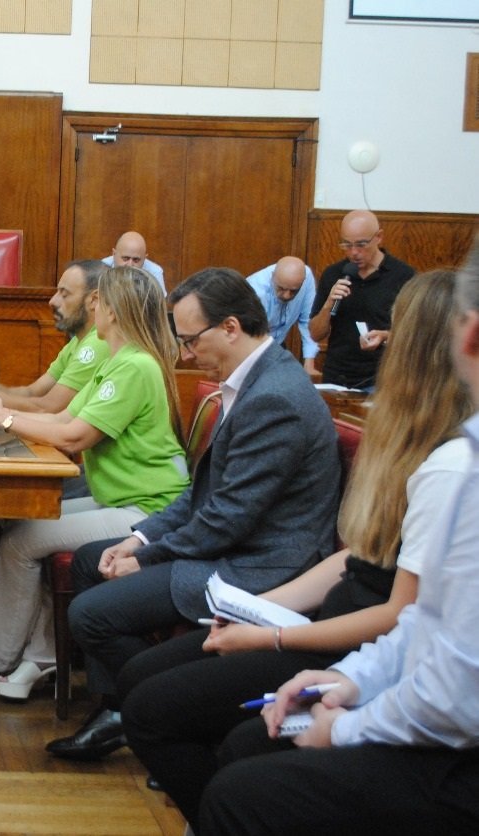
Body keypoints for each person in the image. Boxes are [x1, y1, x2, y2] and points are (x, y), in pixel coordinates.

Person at [120, 269, 469, 829]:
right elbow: (357, 560)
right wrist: (254, 612)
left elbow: (400, 616)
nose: (382, 345)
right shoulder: (412, 443)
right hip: (330, 621)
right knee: (145, 681)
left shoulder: (453, 468)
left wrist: (272, 633)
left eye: (395, 333)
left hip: (348, 641)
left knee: (193, 731)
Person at [49, 267, 341, 762]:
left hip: (257, 564)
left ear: (230, 327)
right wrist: (140, 540)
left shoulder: (275, 399)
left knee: (91, 615)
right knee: (89, 561)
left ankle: (163, 710)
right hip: (233, 541)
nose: (184, 354)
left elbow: (228, 519)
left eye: (190, 340)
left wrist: (149, 555)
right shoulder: (251, 379)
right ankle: (118, 706)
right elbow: (202, 494)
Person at [0, 266, 190, 700]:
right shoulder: (119, 359)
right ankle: (36, 653)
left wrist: (3, 416)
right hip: (121, 500)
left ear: (113, 311)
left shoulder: (135, 367)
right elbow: (60, 417)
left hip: (148, 511)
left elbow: (74, 437)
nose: (92, 308)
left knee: (24, 538)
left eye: (97, 302)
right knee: (27, 528)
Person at [0, 260, 110, 413]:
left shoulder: (98, 342)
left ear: (94, 300)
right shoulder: (79, 340)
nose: (52, 301)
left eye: (64, 294)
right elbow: (31, 392)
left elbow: (47, 409)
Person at [309, 209, 415, 390]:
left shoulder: (403, 276)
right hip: (336, 376)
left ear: (379, 237)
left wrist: (384, 336)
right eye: (347, 245)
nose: (353, 252)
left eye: (361, 244)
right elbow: (315, 334)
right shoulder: (334, 274)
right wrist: (328, 305)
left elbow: (414, 334)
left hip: (381, 379)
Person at [246, 255, 320, 376]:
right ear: (272, 276)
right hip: (253, 345)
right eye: (281, 288)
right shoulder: (255, 290)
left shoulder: (307, 277)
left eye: (293, 291)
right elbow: (247, 335)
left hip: (278, 344)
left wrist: (309, 363)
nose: (286, 296)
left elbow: (307, 321)